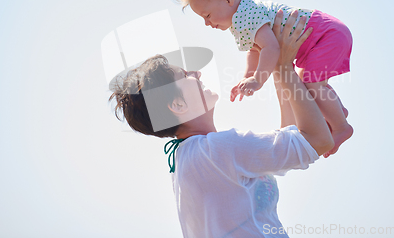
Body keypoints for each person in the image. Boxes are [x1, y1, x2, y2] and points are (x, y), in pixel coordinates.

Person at [109, 12, 334, 237]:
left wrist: (278, 66)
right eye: (184, 74)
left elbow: (289, 138)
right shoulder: (215, 150)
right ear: (177, 104)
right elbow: (318, 141)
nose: (196, 73)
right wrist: (284, 67)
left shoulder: (192, 157)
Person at [178, 0, 353, 158]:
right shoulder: (241, 17)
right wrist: (248, 76)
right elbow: (256, 50)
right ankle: (337, 112)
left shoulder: (247, 14)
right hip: (324, 34)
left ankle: (341, 127)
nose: (207, 23)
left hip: (325, 35)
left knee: (311, 84)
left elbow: (271, 48)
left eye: (207, 15)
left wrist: (258, 80)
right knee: (305, 85)